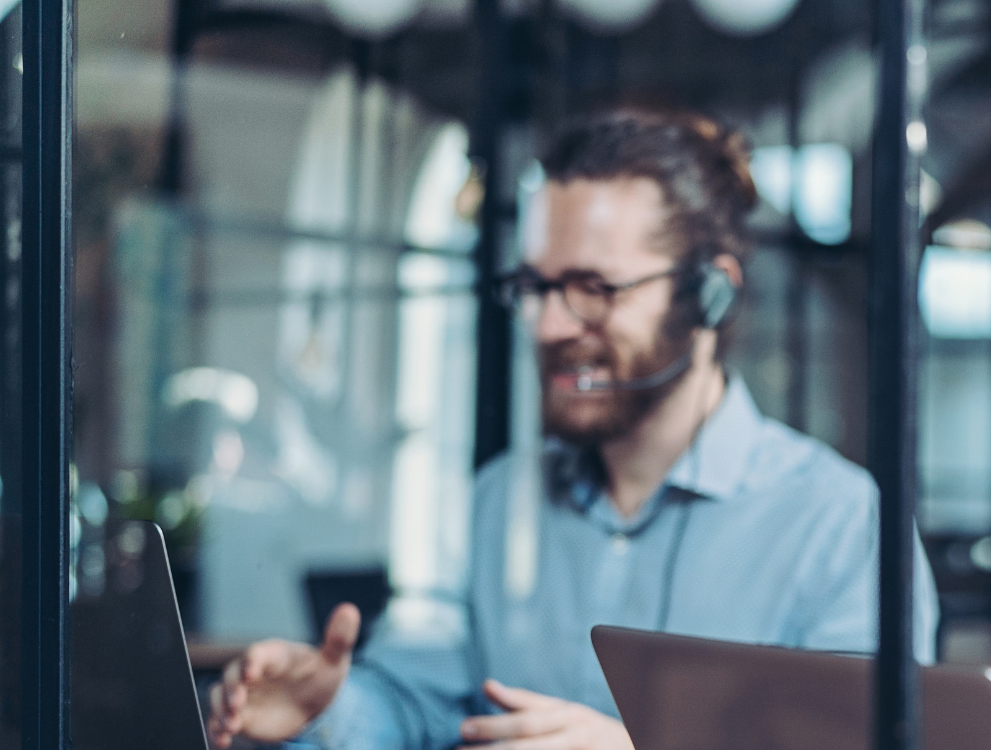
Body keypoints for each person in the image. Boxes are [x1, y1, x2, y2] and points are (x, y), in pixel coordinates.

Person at [207, 108, 940, 750]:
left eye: (595, 289)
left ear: (712, 295)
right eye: (536, 287)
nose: (552, 325)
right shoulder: (500, 500)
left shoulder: (841, 525)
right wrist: (330, 709)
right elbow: (423, 701)